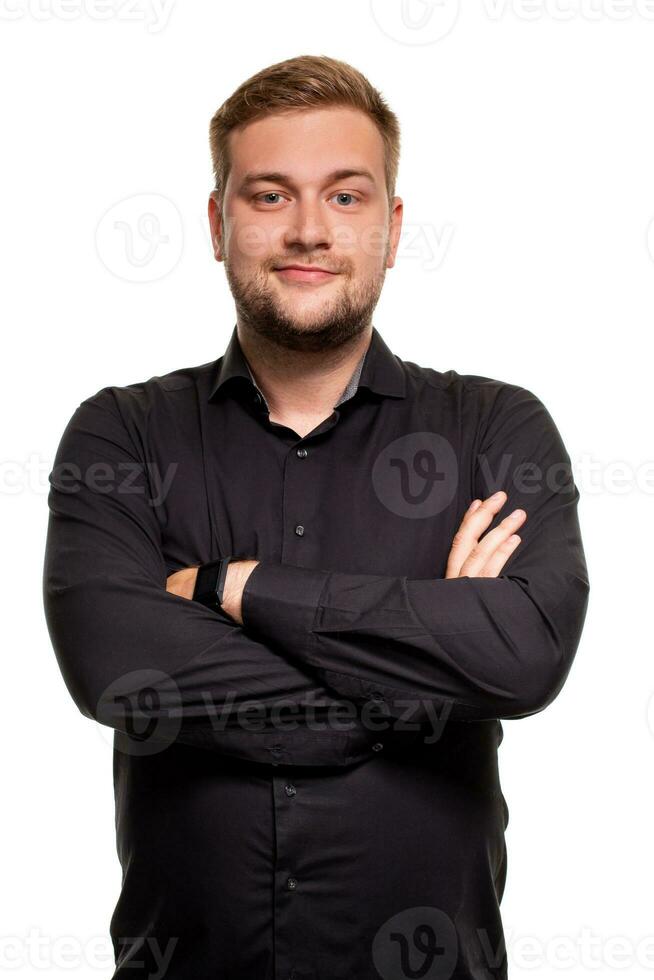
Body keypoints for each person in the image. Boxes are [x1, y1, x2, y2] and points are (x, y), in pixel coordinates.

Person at [42, 54, 590, 980]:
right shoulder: (121, 434)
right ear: (219, 224)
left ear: (392, 226)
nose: (307, 231)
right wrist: (426, 669)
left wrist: (235, 589)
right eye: (268, 196)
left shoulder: (497, 427)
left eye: (345, 197)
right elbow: (119, 671)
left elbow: (527, 653)